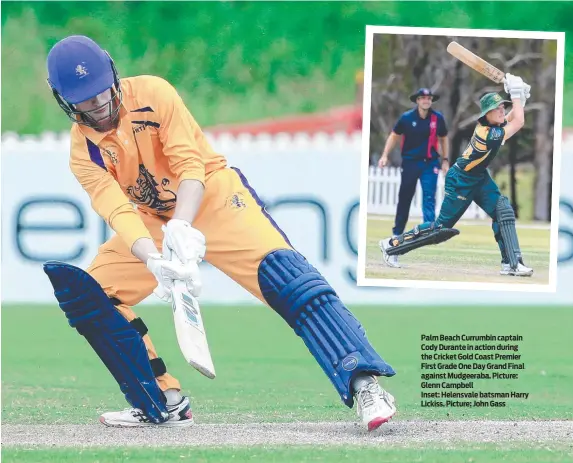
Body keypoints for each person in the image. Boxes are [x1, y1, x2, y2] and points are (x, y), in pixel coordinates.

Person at [42, 35, 397, 431]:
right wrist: (153, 258)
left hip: (212, 197)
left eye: (102, 92)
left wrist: (182, 225)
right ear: (64, 100)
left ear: (113, 75)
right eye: (84, 100)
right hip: (149, 221)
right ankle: (161, 402)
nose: (99, 105)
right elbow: (117, 209)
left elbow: (190, 164)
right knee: (89, 294)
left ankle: (365, 382)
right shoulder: (82, 152)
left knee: (288, 279)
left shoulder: (154, 94)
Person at [380, 74, 533, 277]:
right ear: (487, 114)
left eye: (502, 107)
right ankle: (392, 245)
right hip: (461, 180)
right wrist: (515, 93)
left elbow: (513, 117)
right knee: (440, 229)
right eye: (497, 108)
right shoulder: (488, 135)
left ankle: (512, 263)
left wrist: (520, 96)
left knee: (503, 211)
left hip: (479, 176)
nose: (501, 111)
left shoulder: (494, 125)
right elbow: (519, 121)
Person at [377, 88, 449, 268]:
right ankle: (396, 236)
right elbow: (394, 136)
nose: (426, 101)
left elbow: (444, 138)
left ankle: (428, 231)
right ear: (417, 100)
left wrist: (445, 159)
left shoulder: (437, 118)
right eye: (423, 98)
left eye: (429, 98)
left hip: (430, 163)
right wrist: (385, 155)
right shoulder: (407, 118)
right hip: (410, 162)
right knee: (405, 199)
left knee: (429, 197)